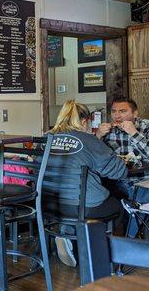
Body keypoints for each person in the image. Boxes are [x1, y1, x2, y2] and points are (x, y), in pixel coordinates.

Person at [43, 100, 127, 267]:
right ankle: (100, 257)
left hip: (50, 203)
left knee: (88, 203)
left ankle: (67, 230)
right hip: (83, 206)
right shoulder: (88, 140)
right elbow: (119, 172)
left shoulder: (45, 138)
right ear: (83, 122)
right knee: (120, 209)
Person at [95, 98, 149, 200]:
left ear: (135, 113)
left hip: (144, 179)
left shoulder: (146, 127)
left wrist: (134, 133)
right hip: (116, 180)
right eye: (113, 111)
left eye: (122, 111)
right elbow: (92, 158)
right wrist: (97, 136)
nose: (117, 115)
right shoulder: (106, 130)